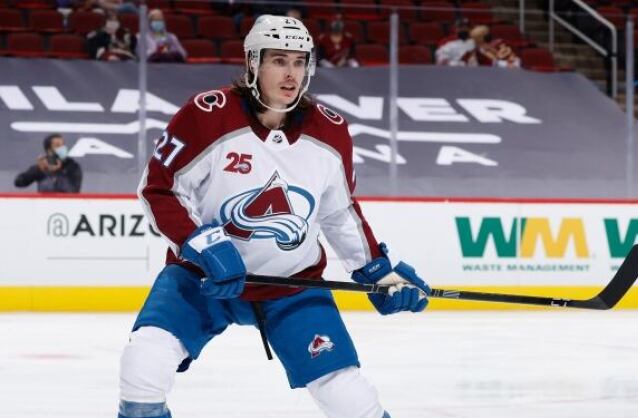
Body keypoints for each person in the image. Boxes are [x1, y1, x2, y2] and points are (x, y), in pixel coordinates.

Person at [119, 15, 430, 418]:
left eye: (300, 62)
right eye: (279, 60)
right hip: (203, 279)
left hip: (293, 285)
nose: (291, 74)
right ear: (252, 63)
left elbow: (339, 212)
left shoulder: (330, 131)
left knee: (351, 399)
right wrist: (203, 245)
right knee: (142, 366)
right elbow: (159, 189)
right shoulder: (206, 115)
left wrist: (379, 271)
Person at [14, 134, 82, 193]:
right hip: (45, 204)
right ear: (49, 150)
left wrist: (56, 172)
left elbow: (73, 190)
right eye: (58, 145)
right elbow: (19, 182)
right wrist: (38, 170)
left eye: (63, 145)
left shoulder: (73, 166)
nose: (63, 148)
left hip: (67, 205)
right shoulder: (42, 166)